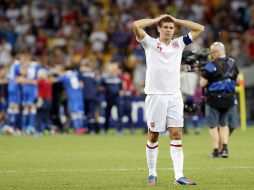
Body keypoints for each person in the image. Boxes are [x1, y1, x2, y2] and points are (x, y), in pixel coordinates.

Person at [133, 14, 204, 185]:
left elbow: (200, 28)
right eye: (165, 27)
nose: (169, 30)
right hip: (155, 95)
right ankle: (152, 173)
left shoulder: (178, 44)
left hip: (174, 95)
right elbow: (136, 24)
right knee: (153, 135)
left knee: (176, 134)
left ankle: (178, 176)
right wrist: (158, 18)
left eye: (171, 28)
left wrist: (177, 20)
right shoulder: (149, 43)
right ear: (158, 28)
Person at [199, 42, 239, 158]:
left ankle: (216, 150)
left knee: (212, 125)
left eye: (212, 53)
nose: (211, 55)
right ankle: (225, 149)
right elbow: (235, 79)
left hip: (213, 99)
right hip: (229, 98)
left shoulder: (210, 65)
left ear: (216, 52)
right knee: (224, 124)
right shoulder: (233, 63)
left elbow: (202, 83)